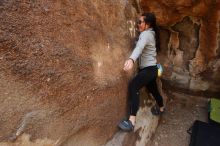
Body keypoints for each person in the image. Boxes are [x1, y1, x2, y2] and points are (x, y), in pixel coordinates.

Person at [118, 12, 165, 131]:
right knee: (153, 90)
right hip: (152, 70)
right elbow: (140, 46)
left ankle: (131, 122)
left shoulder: (146, 35)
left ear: (147, 24)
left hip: (148, 70)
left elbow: (139, 48)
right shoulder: (151, 34)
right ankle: (161, 108)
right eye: (137, 22)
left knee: (134, 86)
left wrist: (131, 59)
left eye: (140, 22)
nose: (138, 24)